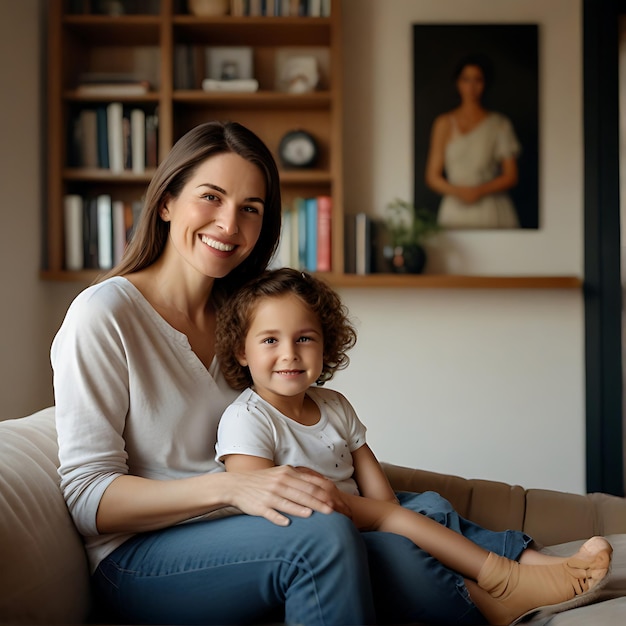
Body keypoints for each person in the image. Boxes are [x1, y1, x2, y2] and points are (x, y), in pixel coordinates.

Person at [214, 267, 613, 626]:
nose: (289, 353)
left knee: (430, 506)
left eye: (304, 338)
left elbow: (379, 491)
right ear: (241, 351)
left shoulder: (333, 404)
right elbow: (261, 512)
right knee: (398, 545)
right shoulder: (248, 419)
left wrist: (395, 515)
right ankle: (500, 592)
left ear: (325, 343)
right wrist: (390, 520)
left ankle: (544, 566)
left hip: (365, 513)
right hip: (318, 531)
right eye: (270, 340)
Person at [425, 53, 521, 229]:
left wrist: (478, 191)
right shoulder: (444, 123)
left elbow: (511, 175)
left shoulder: (499, 124)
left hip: (491, 208)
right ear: (458, 83)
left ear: (485, 83)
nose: (471, 87)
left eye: (478, 80)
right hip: (455, 208)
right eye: (466, 80)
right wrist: (460, 192)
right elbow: (433, 176)